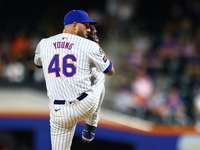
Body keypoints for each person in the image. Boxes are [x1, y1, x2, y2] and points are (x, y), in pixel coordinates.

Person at [34, 10, 114, 150]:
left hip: (58, 112)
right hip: (83, 105)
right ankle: (91, 125)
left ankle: (90, 125)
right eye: (87, 25)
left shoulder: (44, 43)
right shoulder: (89, 45)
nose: (89, 29)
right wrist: (97, 46)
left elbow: (38, 63)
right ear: (75, 25)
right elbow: (110, 71)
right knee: (99, 72)